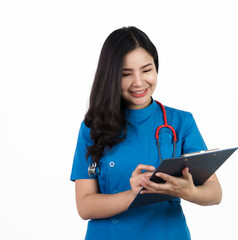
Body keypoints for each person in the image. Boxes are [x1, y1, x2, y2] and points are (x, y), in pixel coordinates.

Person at [70, 26, 222, 240]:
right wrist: (134, 194)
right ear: (111, 77)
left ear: (156, 68)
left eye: (147, 70)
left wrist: (186, 191)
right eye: (126, 74)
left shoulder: (180, 122)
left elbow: (215, 193)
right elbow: (85, 206)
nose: (139, 82)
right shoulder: (92, 127)